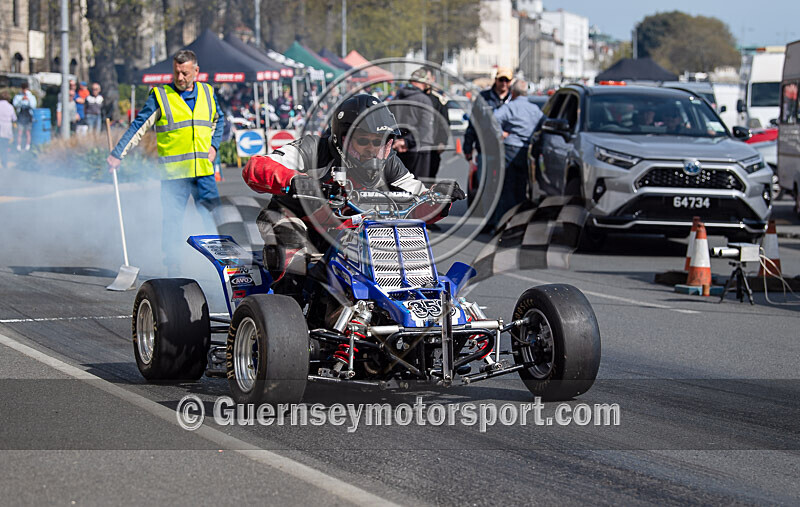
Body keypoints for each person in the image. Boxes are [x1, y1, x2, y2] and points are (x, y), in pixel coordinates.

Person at [241, 94, 464, 296]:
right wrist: (295, 180)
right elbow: (256, 167)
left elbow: (418, 199)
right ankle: (288, 316)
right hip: (292, 218)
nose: (371, 149)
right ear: (343, 139)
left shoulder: (390, 164)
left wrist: (440, 200)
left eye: (378, 142)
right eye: (364, 141)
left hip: (347, 228)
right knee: (294, 267)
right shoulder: (312, 149)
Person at [107, 49, 224, 275]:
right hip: (174, 176)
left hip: (203, 172)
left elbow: (218, 121)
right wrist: (117, 153)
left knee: (215, 217)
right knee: (172, 222)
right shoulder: (160, 96)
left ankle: (222, 265)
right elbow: (138, 127)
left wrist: (214, 146)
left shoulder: (208, 93)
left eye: (185, 73)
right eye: (177, 72)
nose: (180, 78)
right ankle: (173, 266)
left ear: (196, 72)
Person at [490, 79, 543, 231]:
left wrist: (502, 134)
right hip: (526, 152)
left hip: (510, 149)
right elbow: (544, 125)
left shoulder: (510, 107)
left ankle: (503, 225)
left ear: (513, 93)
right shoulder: (534, 110)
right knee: (522, 188)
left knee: (507, 188)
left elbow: (493, 120)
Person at [389, 67, 436, 179]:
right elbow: (425, 128)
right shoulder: (424, 100)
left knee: (399, 186)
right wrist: (407, 142)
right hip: (419, 150)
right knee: (418, 188)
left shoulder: (395, 98)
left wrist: (397, 142)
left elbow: (389, 124)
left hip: (398, 149)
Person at [462, 66, 512, 165]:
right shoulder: (483, 98)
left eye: (507, 80)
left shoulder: (514, 100)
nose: (504, 83)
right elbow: (473, 123)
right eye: (501, 80)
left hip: (507, 151)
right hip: (486, 150)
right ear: (496, 80)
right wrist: (468, 147)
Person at [12, 82, 37, 151]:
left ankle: (27, 146)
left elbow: (33, 106)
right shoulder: (18, 96)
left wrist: (28, 100)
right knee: (19, 131)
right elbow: (15, 104)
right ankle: (18, 146)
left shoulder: (31, 97)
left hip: (28, 115)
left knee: (28, 132)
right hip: (21, 115)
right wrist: (21, 100)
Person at [0, 91, 16, 167]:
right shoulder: (10, 107)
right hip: (7, 128)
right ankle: (5, 161)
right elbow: (14, 118)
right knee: (5, 145)